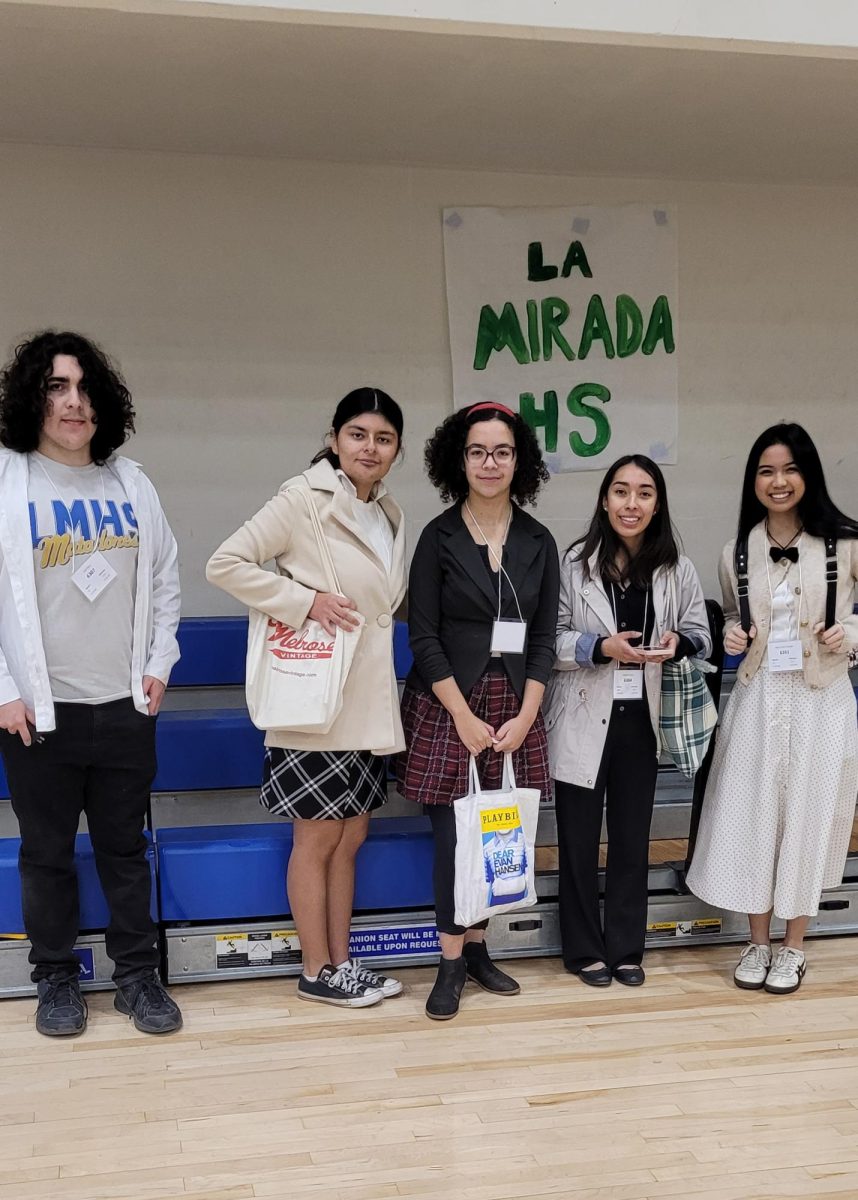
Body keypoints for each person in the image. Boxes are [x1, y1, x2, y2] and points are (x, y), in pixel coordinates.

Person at [0, 330, 183, 1037]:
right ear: (32, 400)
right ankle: (56, 980)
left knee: (126, 852)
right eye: (55, 387)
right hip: (37, 713)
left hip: (124, 707)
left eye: (82, 388)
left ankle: (139, 978)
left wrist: (157, 665)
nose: (73, 402)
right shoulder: (10, 481)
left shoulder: (130, 482)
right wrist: (5, 689)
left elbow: (164, 580)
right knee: (46, 856)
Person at [207, 388, 407, 1009]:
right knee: (315, 842)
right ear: (333, 437)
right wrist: (305, 602)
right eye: (357, 434)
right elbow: (225, 562)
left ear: (396, 449)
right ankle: (315, 968)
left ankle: (341, 963)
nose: (368, 448)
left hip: (367, 705)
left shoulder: (389, 511)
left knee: (350, 839)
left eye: (382, 438)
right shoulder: (302, 499)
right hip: (314, 706)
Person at [397, 401, 559, 1020]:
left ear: (519, 461)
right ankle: (447, 962)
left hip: (514, 707)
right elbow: (423, 638)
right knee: (452, 843)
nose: (489, 463)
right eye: (477, 451)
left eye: (502, 451)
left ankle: (479, 950)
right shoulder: (438, 537)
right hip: (448, 706)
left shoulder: (537, 541)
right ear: (457, 460)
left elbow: (543, 640)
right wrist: (463, 714)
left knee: (499, 834)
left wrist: (526, 715)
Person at [687, 423, 858, 994]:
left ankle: (794, 946)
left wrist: (850, 633)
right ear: (752, 480)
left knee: (808, 816)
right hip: (759, 696)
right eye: (765, 471)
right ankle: (756, 941)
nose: (778, 481)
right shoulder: (737, 550)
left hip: (822, 699)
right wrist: (734, 634)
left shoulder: (847, 542)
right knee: (754, 813)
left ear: (807, 474)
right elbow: (740, 619)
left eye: (789, 469)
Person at [545, 455, 711, 988]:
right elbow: (550, 641)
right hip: (582, 715)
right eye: (620, 492)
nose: (631, 503)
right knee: (576, 838)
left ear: (657, 503)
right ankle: (582, 951)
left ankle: (626, 949)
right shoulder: (574, 564)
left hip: (642, 718)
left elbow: (701, 634)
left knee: (631, 838)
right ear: (604, 500)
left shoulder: (676, 567)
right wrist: (600, 646)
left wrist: (678, 642)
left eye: (643, 493)